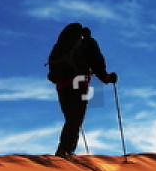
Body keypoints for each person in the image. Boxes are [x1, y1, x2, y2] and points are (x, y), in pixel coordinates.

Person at [45, 22, 117, 157]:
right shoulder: (88, 43)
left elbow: (52, 73)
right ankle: (64, 151)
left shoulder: (61, 46)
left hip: (61, 86)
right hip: (79, 84)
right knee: (75, 119)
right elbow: (97, 63)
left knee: (71, 119)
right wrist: (106, 78)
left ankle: (67, 150)